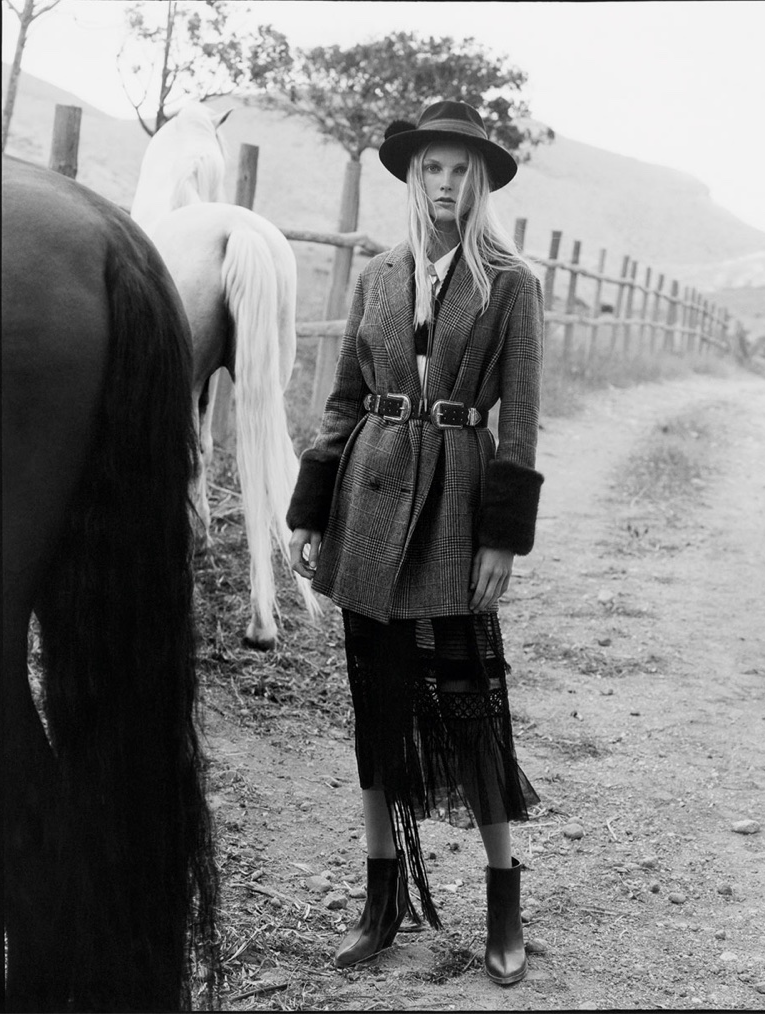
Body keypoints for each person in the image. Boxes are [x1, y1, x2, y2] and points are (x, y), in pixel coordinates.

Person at [287, 99, 544, 986]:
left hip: (457, 507)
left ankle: (503, 897)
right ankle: (380, 897)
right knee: (376, 706)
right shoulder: (377, 276)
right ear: (412, 176)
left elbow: (522, 427)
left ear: (479, 181)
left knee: (473, 705)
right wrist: (309, 509)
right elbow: (342, 401)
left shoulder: (510, 282)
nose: (444, 183)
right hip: (367, 497)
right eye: (431, 167)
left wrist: (502, 540)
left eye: (460, 169)